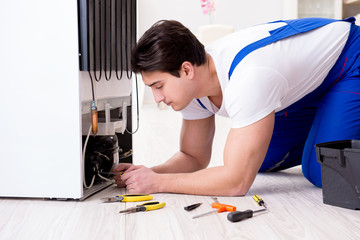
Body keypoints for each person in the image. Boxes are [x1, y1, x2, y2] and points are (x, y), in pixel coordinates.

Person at [113, 17, 360, 196]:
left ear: (186, 69)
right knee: (263, 160)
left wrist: (157, 184)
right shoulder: (194, 85)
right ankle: (331, 121)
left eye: (159, 86)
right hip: (308, 85)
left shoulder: (249, 77)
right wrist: (148, 174)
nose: (157, 98)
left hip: (348, 60)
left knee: (324, 171)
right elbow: (193, 157)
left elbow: (236, 182)